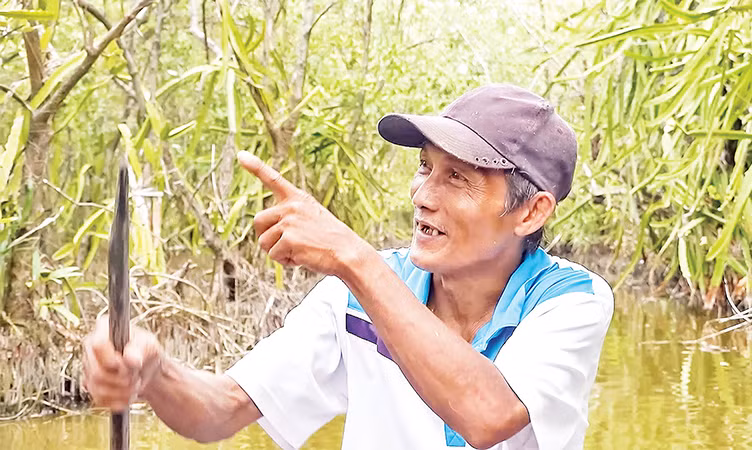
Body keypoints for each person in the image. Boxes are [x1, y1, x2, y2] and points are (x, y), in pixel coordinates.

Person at [82, 84, 613, 449]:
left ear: (530, 210)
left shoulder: (571, 301)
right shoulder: (357, 294)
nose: (423, 195)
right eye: (425, 168)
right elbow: (221, 409)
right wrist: (154, 373)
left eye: (458, 178)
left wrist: (352, 258)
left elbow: (488, 416)